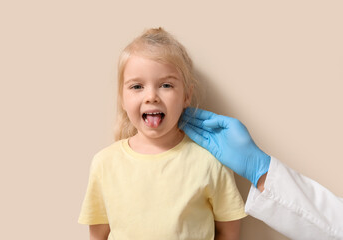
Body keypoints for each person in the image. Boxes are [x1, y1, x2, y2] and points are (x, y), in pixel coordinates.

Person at [78, 28, 247, 240]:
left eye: (166, 85)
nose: (151, 97)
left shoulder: (210, 161)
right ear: (122, 97)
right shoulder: (104, 164)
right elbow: (98, 235)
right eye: (137, 86)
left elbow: (229, 232)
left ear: (186, 95)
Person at [181, 107, 343, 240]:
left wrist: (259, 169)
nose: (153, 97)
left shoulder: (209, 166)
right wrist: (262, 173)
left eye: (167, 85)